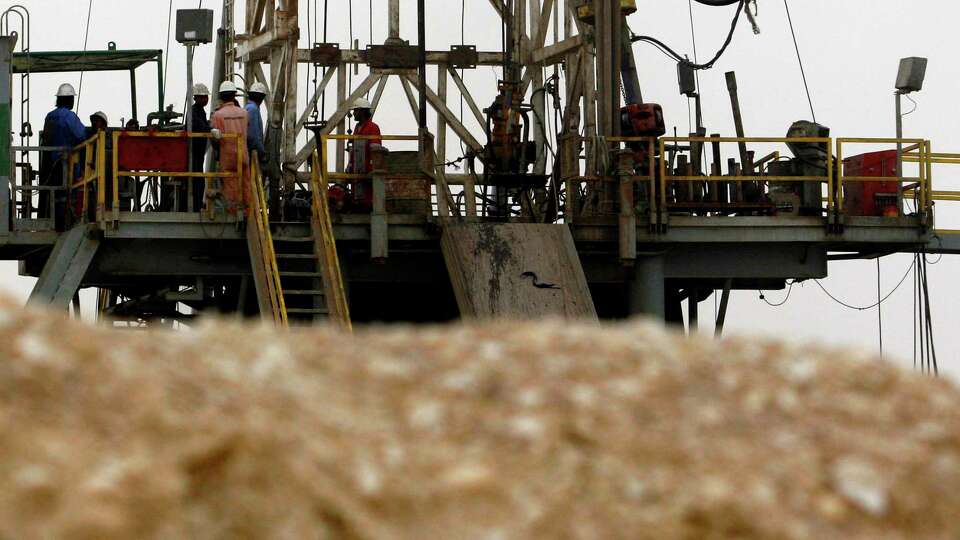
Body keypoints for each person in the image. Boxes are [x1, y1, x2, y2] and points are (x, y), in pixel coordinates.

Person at [38, 83, 87, 229]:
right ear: (69, 99)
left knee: (54, 195)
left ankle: (52, 221)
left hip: (49, 163)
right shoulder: (69, 116)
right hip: (65, 163)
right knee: (66, 195)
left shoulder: (50, 116)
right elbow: (82, 136)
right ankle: (66, 223)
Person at [210, 80, 249, 213]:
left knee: (230, 185)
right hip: (243, 154)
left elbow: (215, 139)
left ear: (221, 96)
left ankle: (233, 211)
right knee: (245, 182)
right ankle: (247, 210)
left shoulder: (218, 115)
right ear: (234, 95)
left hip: (227, 156)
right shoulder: (244, 113)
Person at [346, 98, 381, 211]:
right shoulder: (357, 128)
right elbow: (355, 150)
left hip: (367, 170)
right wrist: (350, 165)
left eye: (355, 111)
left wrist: (372, 169)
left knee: (367, 198)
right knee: (358, 197)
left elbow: (375, 150)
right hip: (357, 170)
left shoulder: (373, 127)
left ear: (362, 111)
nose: (353, 113)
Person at [190, 83, 211, 211]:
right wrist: (210, 128)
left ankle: (198, 205)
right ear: (196, 97)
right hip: (194, 152)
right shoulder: (194, 111)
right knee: (197, 180)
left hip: (198, 152)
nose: (206, 99)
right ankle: (196, 206)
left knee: (199, 180)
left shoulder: (200, 111)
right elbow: (200, 127)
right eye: (203, 97)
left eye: (206, 97)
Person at [245, 82, 267, 163]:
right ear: (262, 98)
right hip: (252, 154)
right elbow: (253, 136)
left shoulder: (247, 107)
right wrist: (262, 153)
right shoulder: (253, 109)